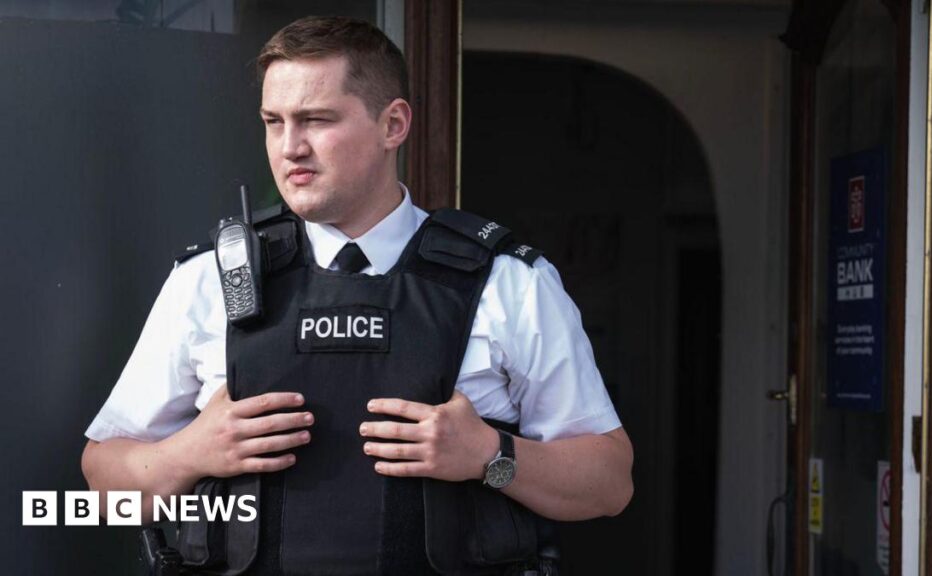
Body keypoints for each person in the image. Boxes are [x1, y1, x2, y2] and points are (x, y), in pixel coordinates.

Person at [81, 15, 633, 575]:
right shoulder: (209, 282)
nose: (290, 146)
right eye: (273, 121)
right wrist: (189, 453)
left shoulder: (507, 283)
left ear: (393, 125)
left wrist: (490, 457)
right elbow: (101, 485)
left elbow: (608, 484)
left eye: (316, 120)